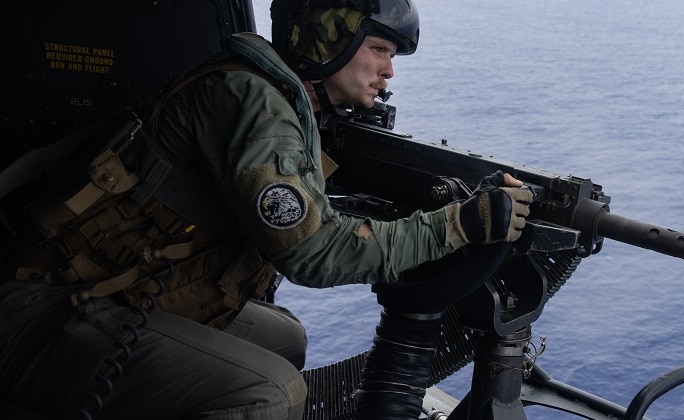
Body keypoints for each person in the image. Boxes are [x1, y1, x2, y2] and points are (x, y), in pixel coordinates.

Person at [0, 0, 532, 418]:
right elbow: (312, 253)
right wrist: (459, 225)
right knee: (268, 393)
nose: (388, 71)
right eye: (379, 50)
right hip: (41, 307)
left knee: (284, 338)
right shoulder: (253, 102)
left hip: (98, 288)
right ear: (328, 38)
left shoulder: (270, 93)